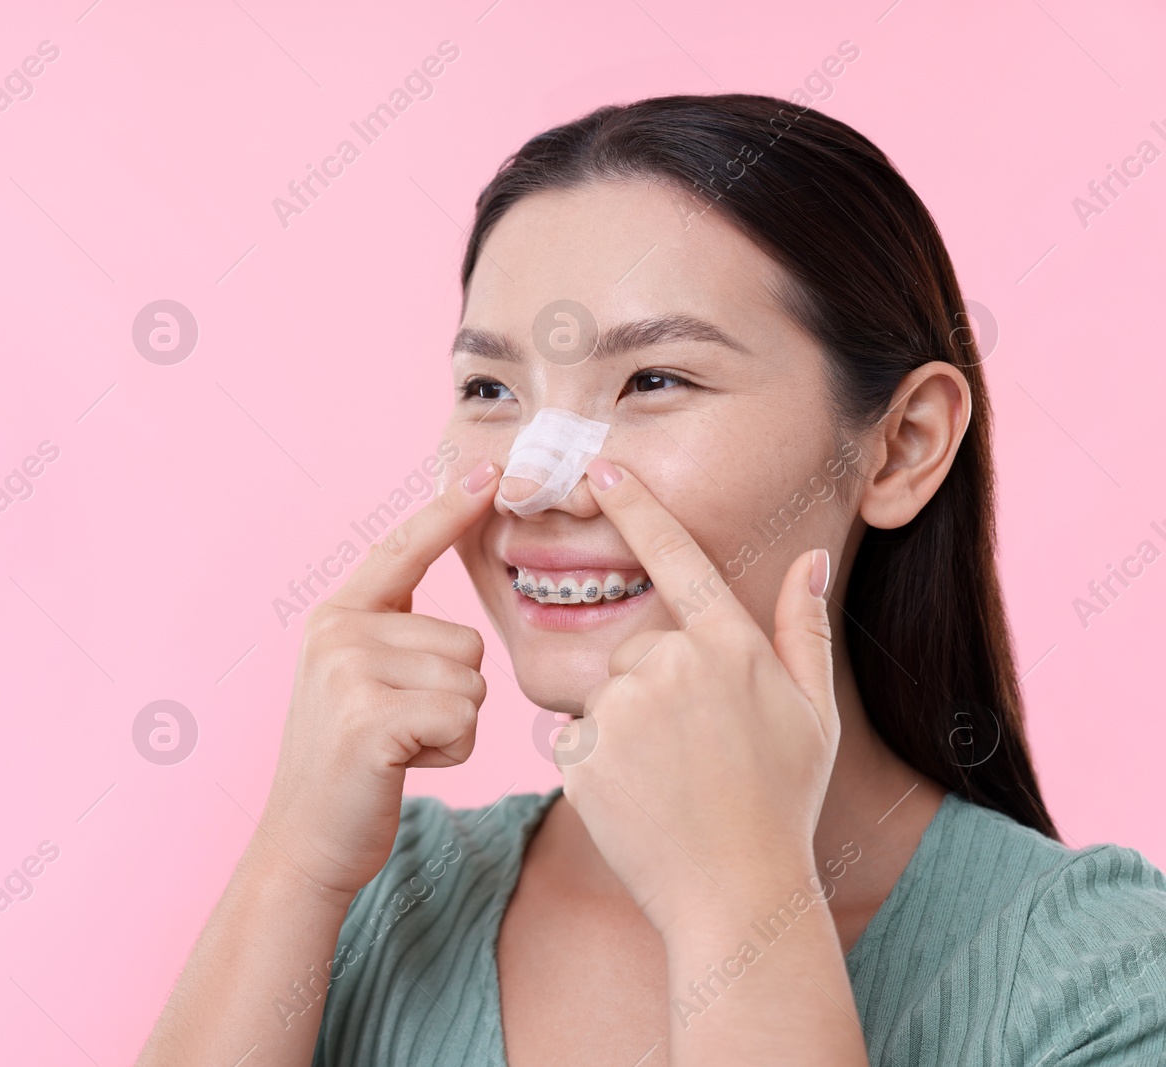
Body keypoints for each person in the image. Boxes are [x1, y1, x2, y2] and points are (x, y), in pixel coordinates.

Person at [137, 94, 1166, 1066]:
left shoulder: (1101, 970)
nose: (536, 482)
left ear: (900, 445)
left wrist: (740, 903)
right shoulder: (374, 896)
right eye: (490, 387)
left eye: (653, 380)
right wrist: (292, 870)